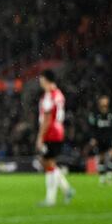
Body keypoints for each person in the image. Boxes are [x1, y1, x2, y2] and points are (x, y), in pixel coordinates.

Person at [36, 70, 75, 206]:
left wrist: (40, 137)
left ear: (46, 80)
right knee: (48, 163)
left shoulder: (49, 96)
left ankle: (51, 199)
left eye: (41, 80)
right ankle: (67, 189)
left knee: (48, 164)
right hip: (58, 130)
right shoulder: (59, 94)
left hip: (50, 132)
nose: (40, 83)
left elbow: (47, 119)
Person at [87, 95, 112, 185]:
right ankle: (102, 178)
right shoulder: (95, 114)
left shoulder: (111, 114)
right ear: (100, 102)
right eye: (103, 101)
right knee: (101, 158)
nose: (104, 102)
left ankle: (110, 177)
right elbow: (92, 127)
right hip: (99, 139)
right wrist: (93, 138)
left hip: (110, 139)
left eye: (106, 101)